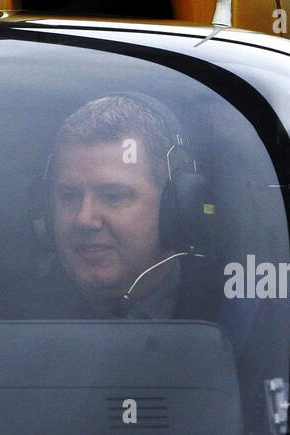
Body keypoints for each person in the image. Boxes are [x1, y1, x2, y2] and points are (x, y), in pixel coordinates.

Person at [39, 93, 218, 321]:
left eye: (114, 196)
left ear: (175, 208)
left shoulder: (239, 321)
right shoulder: (8, 317)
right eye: (68, 196)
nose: (84, 219)